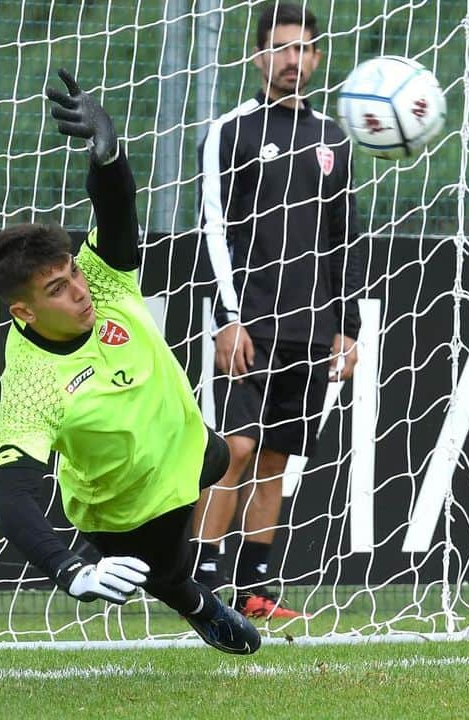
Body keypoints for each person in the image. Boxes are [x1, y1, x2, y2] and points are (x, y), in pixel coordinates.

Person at [0, 68, 260, 655]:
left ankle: (120, 559)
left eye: (72, 273)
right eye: (56, 289)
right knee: (163, 571)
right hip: (131, 504)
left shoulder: (101, 283)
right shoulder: (31, 382)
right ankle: (191, 601)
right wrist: (65, 569)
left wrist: (107, 158)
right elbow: (11, 493)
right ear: (25, 313)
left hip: (189, 447)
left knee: (224, 454)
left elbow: (115, 214)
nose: (79, 290)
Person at [193, 2, 364, 619]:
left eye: (304, 49)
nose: (293, 60)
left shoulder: (335, 140)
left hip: (311, 328)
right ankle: (202, 582)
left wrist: (347, 329)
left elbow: (344, 238)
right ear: (259, 56)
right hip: (249, 323)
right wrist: (227, 318)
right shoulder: (232, 131)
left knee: (275, 459)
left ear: (317, 57)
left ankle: (257, 589)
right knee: (232, 451)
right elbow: (213, 230)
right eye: (282, 48)